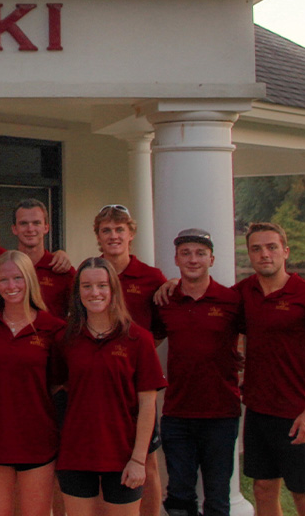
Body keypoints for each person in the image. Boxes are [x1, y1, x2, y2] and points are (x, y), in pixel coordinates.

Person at [237, 222, 305, 516]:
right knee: (262, 489)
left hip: (297, 413)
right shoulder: (243, 292)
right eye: (256, 248)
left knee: (304, 496)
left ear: (285, 252)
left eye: (271, 247)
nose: (264, 254)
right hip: (257, 410)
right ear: (249, 254)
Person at [56, 257, 166, 516]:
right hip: (76, 454)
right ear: (78, 292)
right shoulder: (65, 339)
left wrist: (139, 459)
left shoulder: (138, 339)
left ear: (113, 289)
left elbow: (148, 404)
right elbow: (57, 390)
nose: (95, 293)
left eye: (102, 286)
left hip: (123, 455)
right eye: (87, 286)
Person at [150, 228, 242, 516]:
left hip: (221, 414)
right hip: (178, 414)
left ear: (212, 259)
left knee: (217, 497)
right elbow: (149, 343)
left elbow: (259, 337)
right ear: (176, 259)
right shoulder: (165, 301)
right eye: (186, 253)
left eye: (200, 253)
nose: (193, 260)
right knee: (179, 495)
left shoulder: (231, 300)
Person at [0, 251, 65, 516]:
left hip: (38, 440)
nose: (11, 286)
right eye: (4, 280)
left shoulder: (53, 328)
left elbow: (59, 385)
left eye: (18, 278)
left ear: (30, 281)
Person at [92, 204, 165, 516]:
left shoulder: (151, 277)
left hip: (136, 385)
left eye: (119, 229)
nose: (113, 236)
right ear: (97, 236)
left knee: (146, 457)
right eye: (106, 230)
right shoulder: (89, 272)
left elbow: (160, 330)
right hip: (96, 381)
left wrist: (137, 356)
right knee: (95, 457)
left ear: (131, 233)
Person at [10, 198, 74, 319]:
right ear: (14, 229)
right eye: (23, 223)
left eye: (36, 223)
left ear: (46, 228)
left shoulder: (61, 268)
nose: (30, 229)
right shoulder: (5, 268)